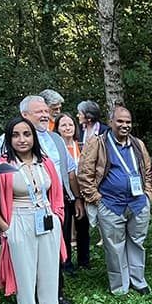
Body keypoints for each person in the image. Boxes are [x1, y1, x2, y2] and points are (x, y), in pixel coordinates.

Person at [0, 117, 74, 304]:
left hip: (46, 220)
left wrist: (57, 216)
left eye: (26, 134)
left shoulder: (44, 162)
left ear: (34, 137)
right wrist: (6, 229)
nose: (22, 139)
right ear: (8, 138)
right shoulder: (1, 165)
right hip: (19, 222)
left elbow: (56, 192)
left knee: (49, 273)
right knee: (25, 278)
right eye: (16, 135)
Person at [0, 96, 82, 303]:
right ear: (24, 115)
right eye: (38, 112)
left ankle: (55, 294)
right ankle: (29, 295)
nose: (45, 115)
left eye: (46, 111)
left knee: (56, 250)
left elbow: (69, 171)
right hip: (23, 208)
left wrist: (75, 198)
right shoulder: (8, 141)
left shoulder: (55, 138)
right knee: (29, 255)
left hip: (55, 205)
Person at [78, 105, 152, 295]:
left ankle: (138, 280)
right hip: (111, 204)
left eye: (128, 122)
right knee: (114, 246)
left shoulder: (138, 144)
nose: (124, 125)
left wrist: (147, 194)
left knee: (137, 241)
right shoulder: (98, 143)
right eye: (120, 121)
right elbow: (84, 174)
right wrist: (97, 199)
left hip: (137, 204)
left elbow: (147, 171)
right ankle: (120, 286)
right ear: (111, 122)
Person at [56, 112, 91, 271]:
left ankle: (84, 261)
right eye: (63, 125)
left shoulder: (82, 145)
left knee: (83, 226)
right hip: (63, 193)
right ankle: (66, 262)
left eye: (70, 124)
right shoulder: (55, 148)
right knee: (65, 228)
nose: (67, 127)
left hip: (82, 191)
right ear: (57, 129)